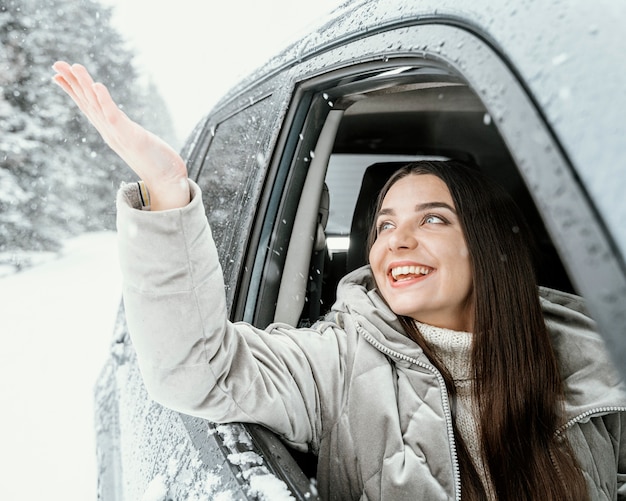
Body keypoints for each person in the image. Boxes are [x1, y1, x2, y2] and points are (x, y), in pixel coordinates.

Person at [52, 61, 626, 501]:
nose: (395, 242)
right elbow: (196, 368)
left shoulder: (595, 357)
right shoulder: (336, 363)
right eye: (383, 224)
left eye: (431, 219)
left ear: (492, 245)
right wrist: (167, 188)